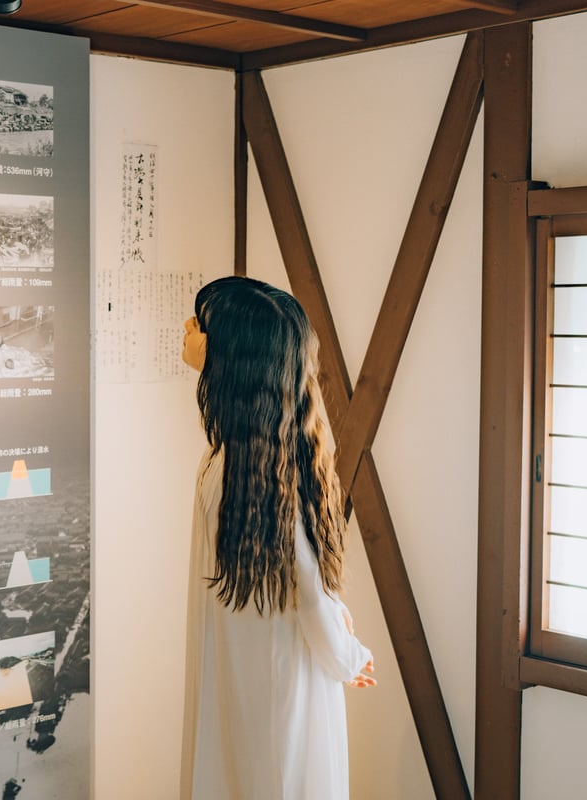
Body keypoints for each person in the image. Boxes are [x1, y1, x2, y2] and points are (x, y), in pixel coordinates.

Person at [179, 276, 375, 799]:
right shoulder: (267, 457)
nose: (188, 330)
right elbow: (311, 591)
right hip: (276, 679)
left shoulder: (233, 466)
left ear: (234, 359)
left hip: (267, 685)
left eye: (202, 325)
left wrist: (348, 654)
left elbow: (309, 594)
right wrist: (345, 652)